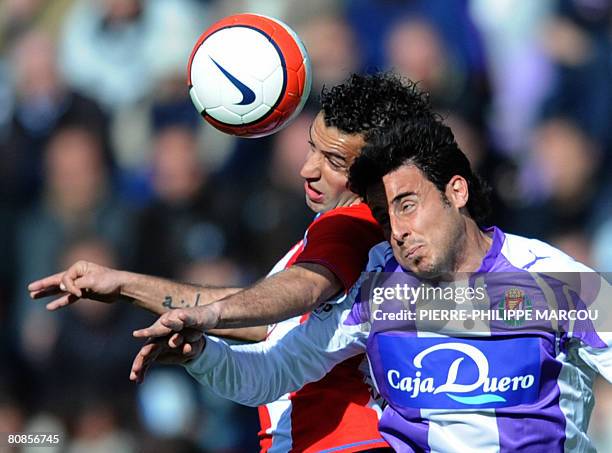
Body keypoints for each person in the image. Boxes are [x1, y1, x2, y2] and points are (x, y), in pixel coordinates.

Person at [130, 114, 612, 452]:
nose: (398, 231)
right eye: (385, 216)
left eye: (407, 204)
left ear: (456, 192)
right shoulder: (376, 290)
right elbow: (270, 374)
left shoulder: (558, 279)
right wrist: (204, 355)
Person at [29, 73, 437, 452]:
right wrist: (125, 287)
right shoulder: (364, 243)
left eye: (333, 162)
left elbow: (302, 290)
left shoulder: (350, 227)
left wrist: (207, 317)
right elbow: (269, 312)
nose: (306, 168)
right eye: (312, 147)